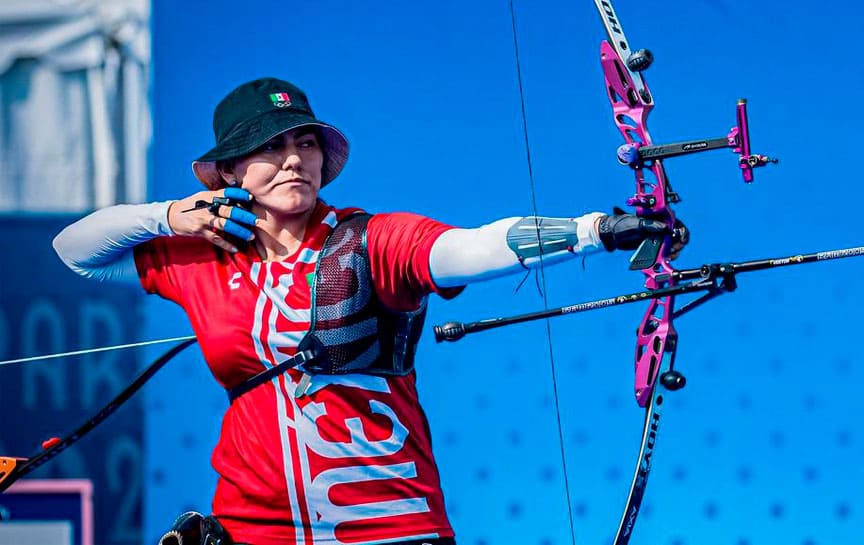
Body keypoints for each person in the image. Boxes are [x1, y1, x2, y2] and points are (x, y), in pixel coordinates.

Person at [52, 77, 687, 545]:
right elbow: (76, 250)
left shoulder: (368, 241)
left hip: (386, 523)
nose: (294, 158)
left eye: (305, 142)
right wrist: (169, 215)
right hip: (254, 528)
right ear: (227, 173)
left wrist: (596, 229)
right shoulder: (202, 258)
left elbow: (467, 249)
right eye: (270, 148)